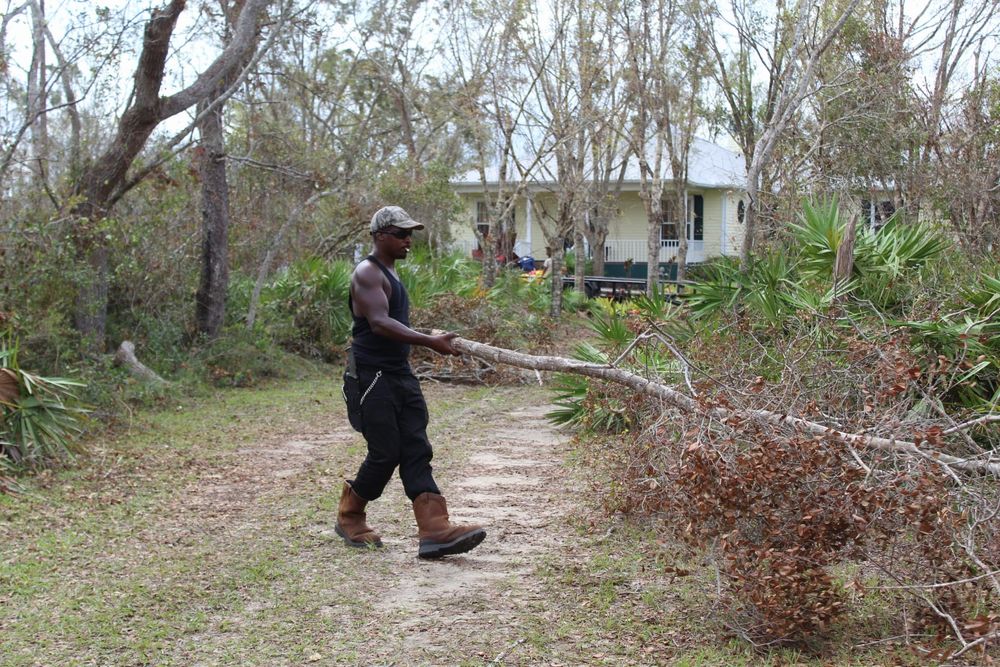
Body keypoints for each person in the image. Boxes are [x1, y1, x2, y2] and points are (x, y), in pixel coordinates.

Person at [337, 205, 487, 559]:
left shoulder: (392, 272)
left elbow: (394, 324)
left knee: (417, 447)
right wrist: (429, 341)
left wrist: (426, 336)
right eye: (401, 234)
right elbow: (379, 322)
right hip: (371, 377)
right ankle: (350, 514)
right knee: (386, 452)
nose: (408, 240)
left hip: (400, 375)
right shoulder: (367, 273)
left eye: (411, 234)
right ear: (380, 236)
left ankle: (435, 530)